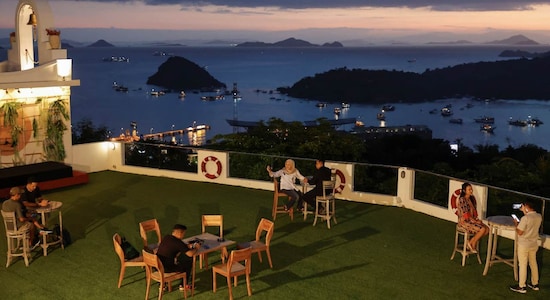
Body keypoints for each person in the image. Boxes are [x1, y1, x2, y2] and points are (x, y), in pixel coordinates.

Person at [509, 201, 542, 294]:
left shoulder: (525, 218)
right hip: (533, 244)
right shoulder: (539, 216)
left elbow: (520, 232)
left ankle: (522, 286)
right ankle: (535, 284)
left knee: (523, 264)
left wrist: (516, 223)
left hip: (524, 245)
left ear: (526, 207)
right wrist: (524, 212)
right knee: (533, 263)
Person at [156, 224, 200, 290]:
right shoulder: (178, 242)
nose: (183, 236)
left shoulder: (167, 237)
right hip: (166, 269)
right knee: (188, 263)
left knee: (179, 260)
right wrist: (196, 248)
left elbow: (174, 247)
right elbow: (190, 254)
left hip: (157, 266)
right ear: (180, 233)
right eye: (183, 233)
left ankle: (163, 284)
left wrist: (186, 246)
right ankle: (183, 285)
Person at [456, 182, 488, 253]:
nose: (471, 191)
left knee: (487, 229)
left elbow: (474, 212)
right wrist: (475, 221)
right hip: (464, 222)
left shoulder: (470, 199)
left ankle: (471, 241)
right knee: (482, 229)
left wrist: (477, 220)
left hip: (472, 220)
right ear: (464, 191)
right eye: (469, 189)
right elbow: (466, 214)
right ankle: (472, 243)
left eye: (471, 189)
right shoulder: (462, 199)